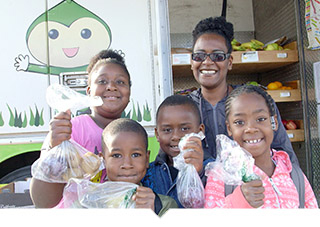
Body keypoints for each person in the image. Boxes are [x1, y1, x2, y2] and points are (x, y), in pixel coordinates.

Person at [187, 16, 299, 166]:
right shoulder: (185, 108)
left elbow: (283, 153)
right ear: (192, 61)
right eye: (199, 55)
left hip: (253, 187)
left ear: (230, 62)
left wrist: (293, 186)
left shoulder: (255, 100)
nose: (207, 62)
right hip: (200, 189)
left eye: (218, 56)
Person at [30, 49, 131, 208]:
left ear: (129, 91)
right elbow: (42, 201)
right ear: (89, 91)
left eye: (120, 82)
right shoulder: (69, 130)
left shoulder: (131, 133)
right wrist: (55, 148)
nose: (111, 87)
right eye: (102, 81)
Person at [204, 85, 318, 208]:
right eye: (239, 122)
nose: (251, 129)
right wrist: (239, 199)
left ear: (273, 122)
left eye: (261, 119)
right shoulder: (221, 177)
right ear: (229, 128)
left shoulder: (294, 174)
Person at [56, 118, 178, 216]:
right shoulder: (85, 204)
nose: (127, 164)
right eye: (116, 155)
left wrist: (151, 217)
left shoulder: (163, 205)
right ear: (103, 160)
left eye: (136, 155)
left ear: (147, 159)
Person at [141, 95, 213, 207]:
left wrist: (199, 174)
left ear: (200, 131)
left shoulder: (214, 171)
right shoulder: (148, 174)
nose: (176, 136)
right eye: (167, 130)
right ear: (157, 134)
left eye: (184, 129)